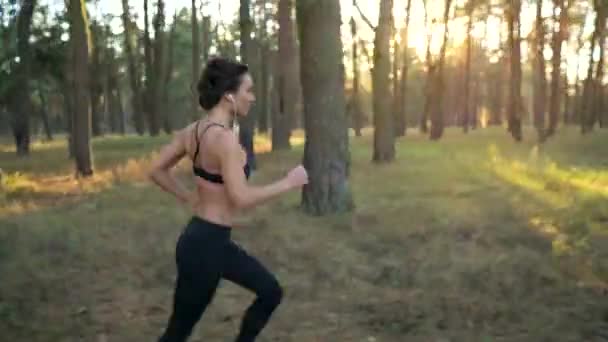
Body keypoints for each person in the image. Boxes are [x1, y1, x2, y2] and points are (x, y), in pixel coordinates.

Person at [148, 57, 308, 342]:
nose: (253, 97)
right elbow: (241, 198)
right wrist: (289, 182)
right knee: (177, 332)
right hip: (207, 247)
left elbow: (157, 170)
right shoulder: (224, 141)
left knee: (270, 291)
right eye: (248, 90)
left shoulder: (193, 132)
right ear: (228, 97)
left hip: (204, 240)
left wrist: (188, 197)